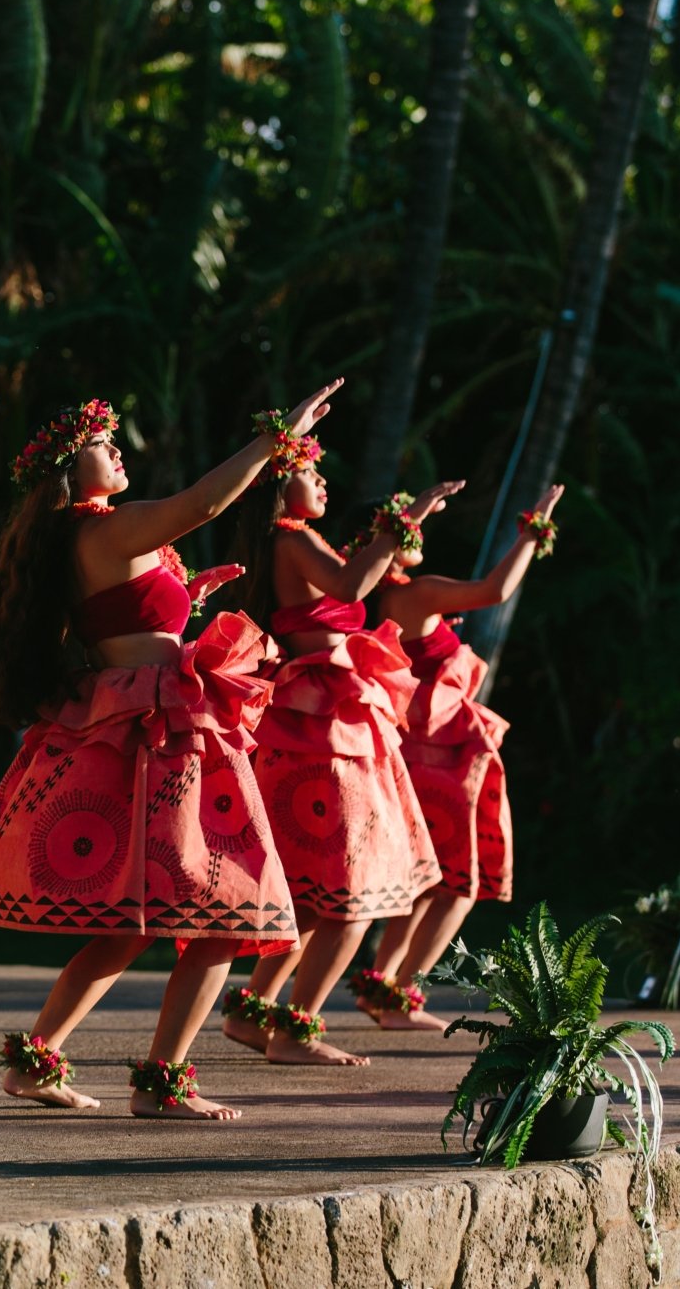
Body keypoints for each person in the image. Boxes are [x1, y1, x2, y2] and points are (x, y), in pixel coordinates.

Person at [0, 384, 343, 1121]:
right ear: (71, 468)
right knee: (229, 913)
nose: (118, 449)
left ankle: (41, 1065)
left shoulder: (85, 539)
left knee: (130, 927)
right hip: (162, 735)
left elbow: (125, 617)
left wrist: (183, 594)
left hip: (156, 725)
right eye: (105, 442)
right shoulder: (103, 528)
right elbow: (199, 505)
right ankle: (160, 1083)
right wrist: (274, 439)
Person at [215, 423, 462, 1064]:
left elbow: (352, 582)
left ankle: (255, 1015)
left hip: (329, 718)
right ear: (278, 482)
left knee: (317, 888)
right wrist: (401, 524)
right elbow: (353, 587)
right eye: (310, 469)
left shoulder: (299, 540)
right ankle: (297, 1030)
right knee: (350, 889)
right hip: (325, 724)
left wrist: (398, 528)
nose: (322, 479)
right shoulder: (290, 540)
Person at [355, 483, 565, 1029]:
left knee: (428, 882)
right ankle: (399, 995)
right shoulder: (415, 593)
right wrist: (533, 531)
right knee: (457, 887)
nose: (418, 532)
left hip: (417, 751)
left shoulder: (370, 602)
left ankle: (387, 990)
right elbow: (494, 591)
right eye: (409, 523)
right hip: (439, 755)